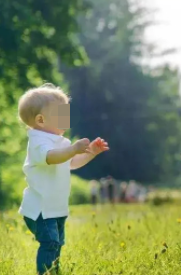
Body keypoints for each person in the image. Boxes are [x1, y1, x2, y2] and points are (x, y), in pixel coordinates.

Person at [17, 84, 110, 275]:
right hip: (41, 209)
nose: (66, 117)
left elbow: (72, 162)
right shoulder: (38, 142)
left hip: (56, 207)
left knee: (57, 243)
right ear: (41, 120)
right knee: (50, 242)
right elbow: (51, 157)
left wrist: (90, 152)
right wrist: (72, 149)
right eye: (61, 113)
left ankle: (54, 270)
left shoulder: (62, 142)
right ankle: (46, 272)